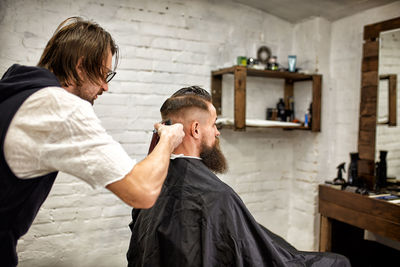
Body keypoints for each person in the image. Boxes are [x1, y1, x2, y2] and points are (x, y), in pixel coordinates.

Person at [0, 17, 184, 266]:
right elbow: (142, 192)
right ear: (80, 66)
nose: (106, 87)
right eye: (104, 74)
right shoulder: (59, 106)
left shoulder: (15, 91)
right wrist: (168, 140)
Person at [126, 86, 350, 267]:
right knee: (338, 261)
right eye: (213, 125)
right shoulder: (217, 196)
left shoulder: (148, 179)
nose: (217, 132)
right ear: (195, 130)